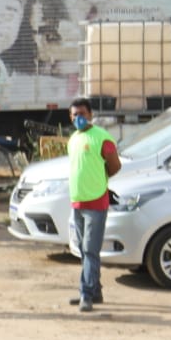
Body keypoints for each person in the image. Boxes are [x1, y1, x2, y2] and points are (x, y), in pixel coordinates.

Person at [66, 96, 121, 312]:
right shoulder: (73, 139)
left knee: (90, 250)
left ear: (90, 115)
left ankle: (86, 294)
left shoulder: (102, 138)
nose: (79, 118)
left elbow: (115, 165)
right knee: (83, 249)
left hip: (96, 202)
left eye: (82, 114)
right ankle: (94, 290)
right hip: (77, 202)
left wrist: (101, 179)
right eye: (75, 114)